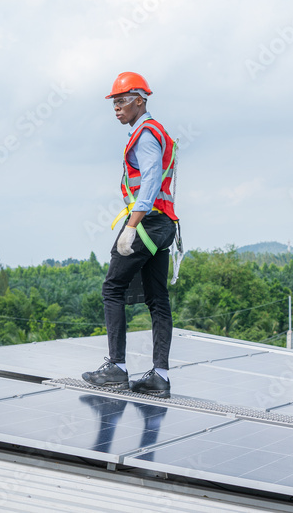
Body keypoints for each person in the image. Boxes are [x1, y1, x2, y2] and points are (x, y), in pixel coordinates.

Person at [82, 72, 179, 398]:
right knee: (157, 299)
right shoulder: (155, 131)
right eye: (114, 102)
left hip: (148, 223)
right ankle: (159, 377)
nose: (117, 108)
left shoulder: (146, 135)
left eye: (122, 101)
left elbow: (150, 182)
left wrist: (132, 225)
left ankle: (116, 368)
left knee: (113, 288)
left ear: (140, 100)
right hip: (164, 225)